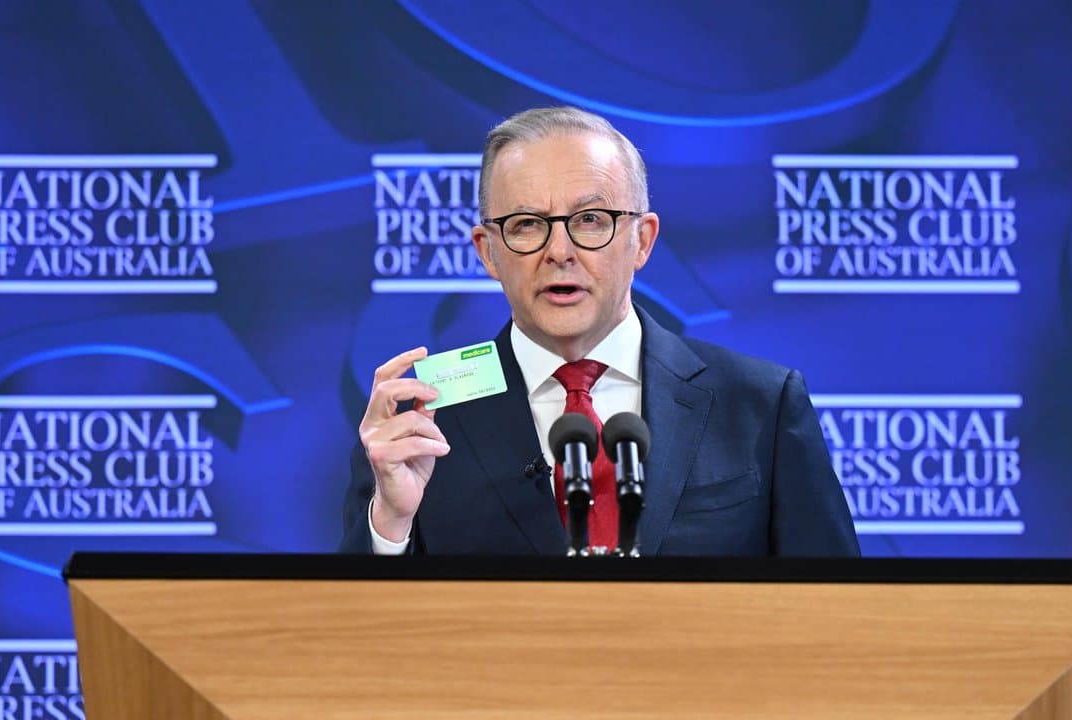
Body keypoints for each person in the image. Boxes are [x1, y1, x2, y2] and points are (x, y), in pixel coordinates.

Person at [341, 106, 858, 556]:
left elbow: (839, 614)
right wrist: (391, 527)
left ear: (642, 240)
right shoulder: (427, 416)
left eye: (590, 219)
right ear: (487, 252)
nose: (559, 251)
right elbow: (350, 639)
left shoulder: (759, 404)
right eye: (526, 224)